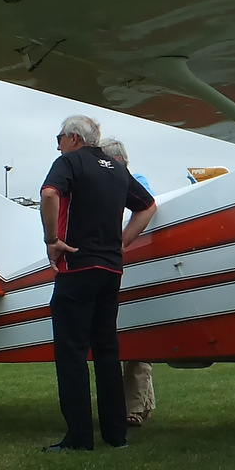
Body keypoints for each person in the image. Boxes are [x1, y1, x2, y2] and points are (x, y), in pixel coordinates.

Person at [40, 116, 155, 451]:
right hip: (111, 270)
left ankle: (78, 437)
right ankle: (115, 434)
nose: (58, 144)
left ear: (74, 138)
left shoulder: (69, 163)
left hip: (77, 267)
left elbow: (49, 194)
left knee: (72, 352)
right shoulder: (117, 169)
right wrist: (122, 243)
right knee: (107, 351)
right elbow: (146, 206)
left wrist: (52, 239)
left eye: (59, 136)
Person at [99, 137, 155, 428]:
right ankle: (141, 405)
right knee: (132, 340)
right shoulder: (135, 181)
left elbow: (148, 210)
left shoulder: (132, 183)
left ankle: (133, 408)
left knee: (133, 341)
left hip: (130, 265)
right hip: (120, 265)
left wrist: (121, 242)